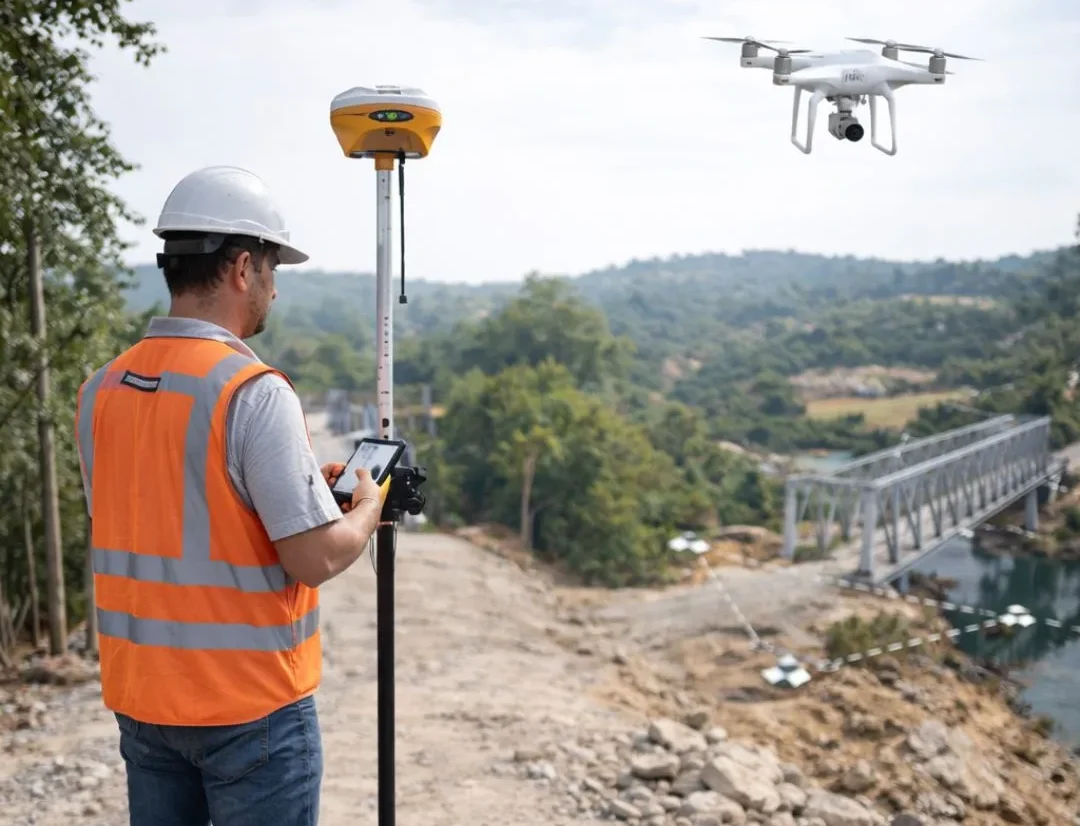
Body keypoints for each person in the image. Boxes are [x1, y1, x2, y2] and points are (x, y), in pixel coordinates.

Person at [74, 165, 383, 826]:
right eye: (273, 269)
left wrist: (293, 489)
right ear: (243, 267)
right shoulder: (251, 389)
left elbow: (162, 513)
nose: (274, 288)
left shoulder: (101, 389)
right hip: (250, 712)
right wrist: (366, 512)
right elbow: (314, 559)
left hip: (145, 705)